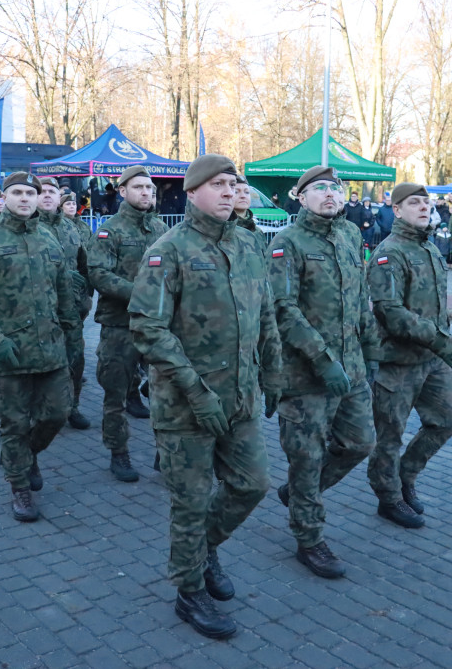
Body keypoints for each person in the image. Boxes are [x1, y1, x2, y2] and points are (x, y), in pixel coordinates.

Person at [129, 154, 282, 640]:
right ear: (192, 193)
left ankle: (204, 548)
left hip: (240, 398)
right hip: (185, 405)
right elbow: (147, 328)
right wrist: (196, 391)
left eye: (233, 184)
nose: (227, 192)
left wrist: (274, 374)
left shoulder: (249, 243)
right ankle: (189, 589)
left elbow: (267, 314)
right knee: (190, 503)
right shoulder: (169, 249)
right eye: (216, 184)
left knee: (252, 484)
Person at [268, 166, 379, 575]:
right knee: (307, 457)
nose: (330, 194)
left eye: (335, 188)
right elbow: (283, 308)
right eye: (319, 189)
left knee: (360, 443)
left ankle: (299, 494)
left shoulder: (350, 234)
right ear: (300, 197)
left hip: (352, 369)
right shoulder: (287, 243)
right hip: (306, 375)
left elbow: (360, 296)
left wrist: (372, 349)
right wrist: (322, 358)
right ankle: (309, 537)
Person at [0, 172, 78, 522]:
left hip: (49, 348)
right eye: (18, 193)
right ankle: (19, 484)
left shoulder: (49, 239)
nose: (25, 198)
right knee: (13, 424)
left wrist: (71, 333)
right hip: (7, 350)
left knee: (57, 413)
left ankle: (27, 455)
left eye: (31, 193)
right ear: (4, 197)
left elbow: (64, 289)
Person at [367, 182, 452, 528]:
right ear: (397, 210)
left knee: (446, 421)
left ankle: (406, 476)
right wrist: (439, 339)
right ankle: (388, 497)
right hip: (398, 361)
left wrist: (442, 334)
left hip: (432, 359)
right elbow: (390, 313)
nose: (424, 207)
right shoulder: (389, 252)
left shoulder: (431, 248)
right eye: (414, 203)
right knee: (389, 435)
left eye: (427, 202)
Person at [87, 165, 168, 482]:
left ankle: (166, 454)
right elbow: (100, 275)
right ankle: (118, 453)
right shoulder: (110, 231)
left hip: (158, 326)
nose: (146, 193)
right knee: (115, 395)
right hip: (120, 325)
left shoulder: (162, 229)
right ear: (122, 191)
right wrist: (140, 295)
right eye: (138, 188)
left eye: (150, 188)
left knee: (166, 392)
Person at [37, 180, 91, 430]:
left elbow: (84, 266)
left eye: (52, 192)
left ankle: (73, 407)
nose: (47, 196)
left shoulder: (71, 228)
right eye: (42, 192)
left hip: (70, 312)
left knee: (75, 360)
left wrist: (85, 299)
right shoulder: (27, 228)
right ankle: (41, 410)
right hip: (37, 313)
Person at [232, 174, 267, 256]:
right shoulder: (223, 229)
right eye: (236, 192)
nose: (243, 196)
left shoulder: (257, 232)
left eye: (247, 192)